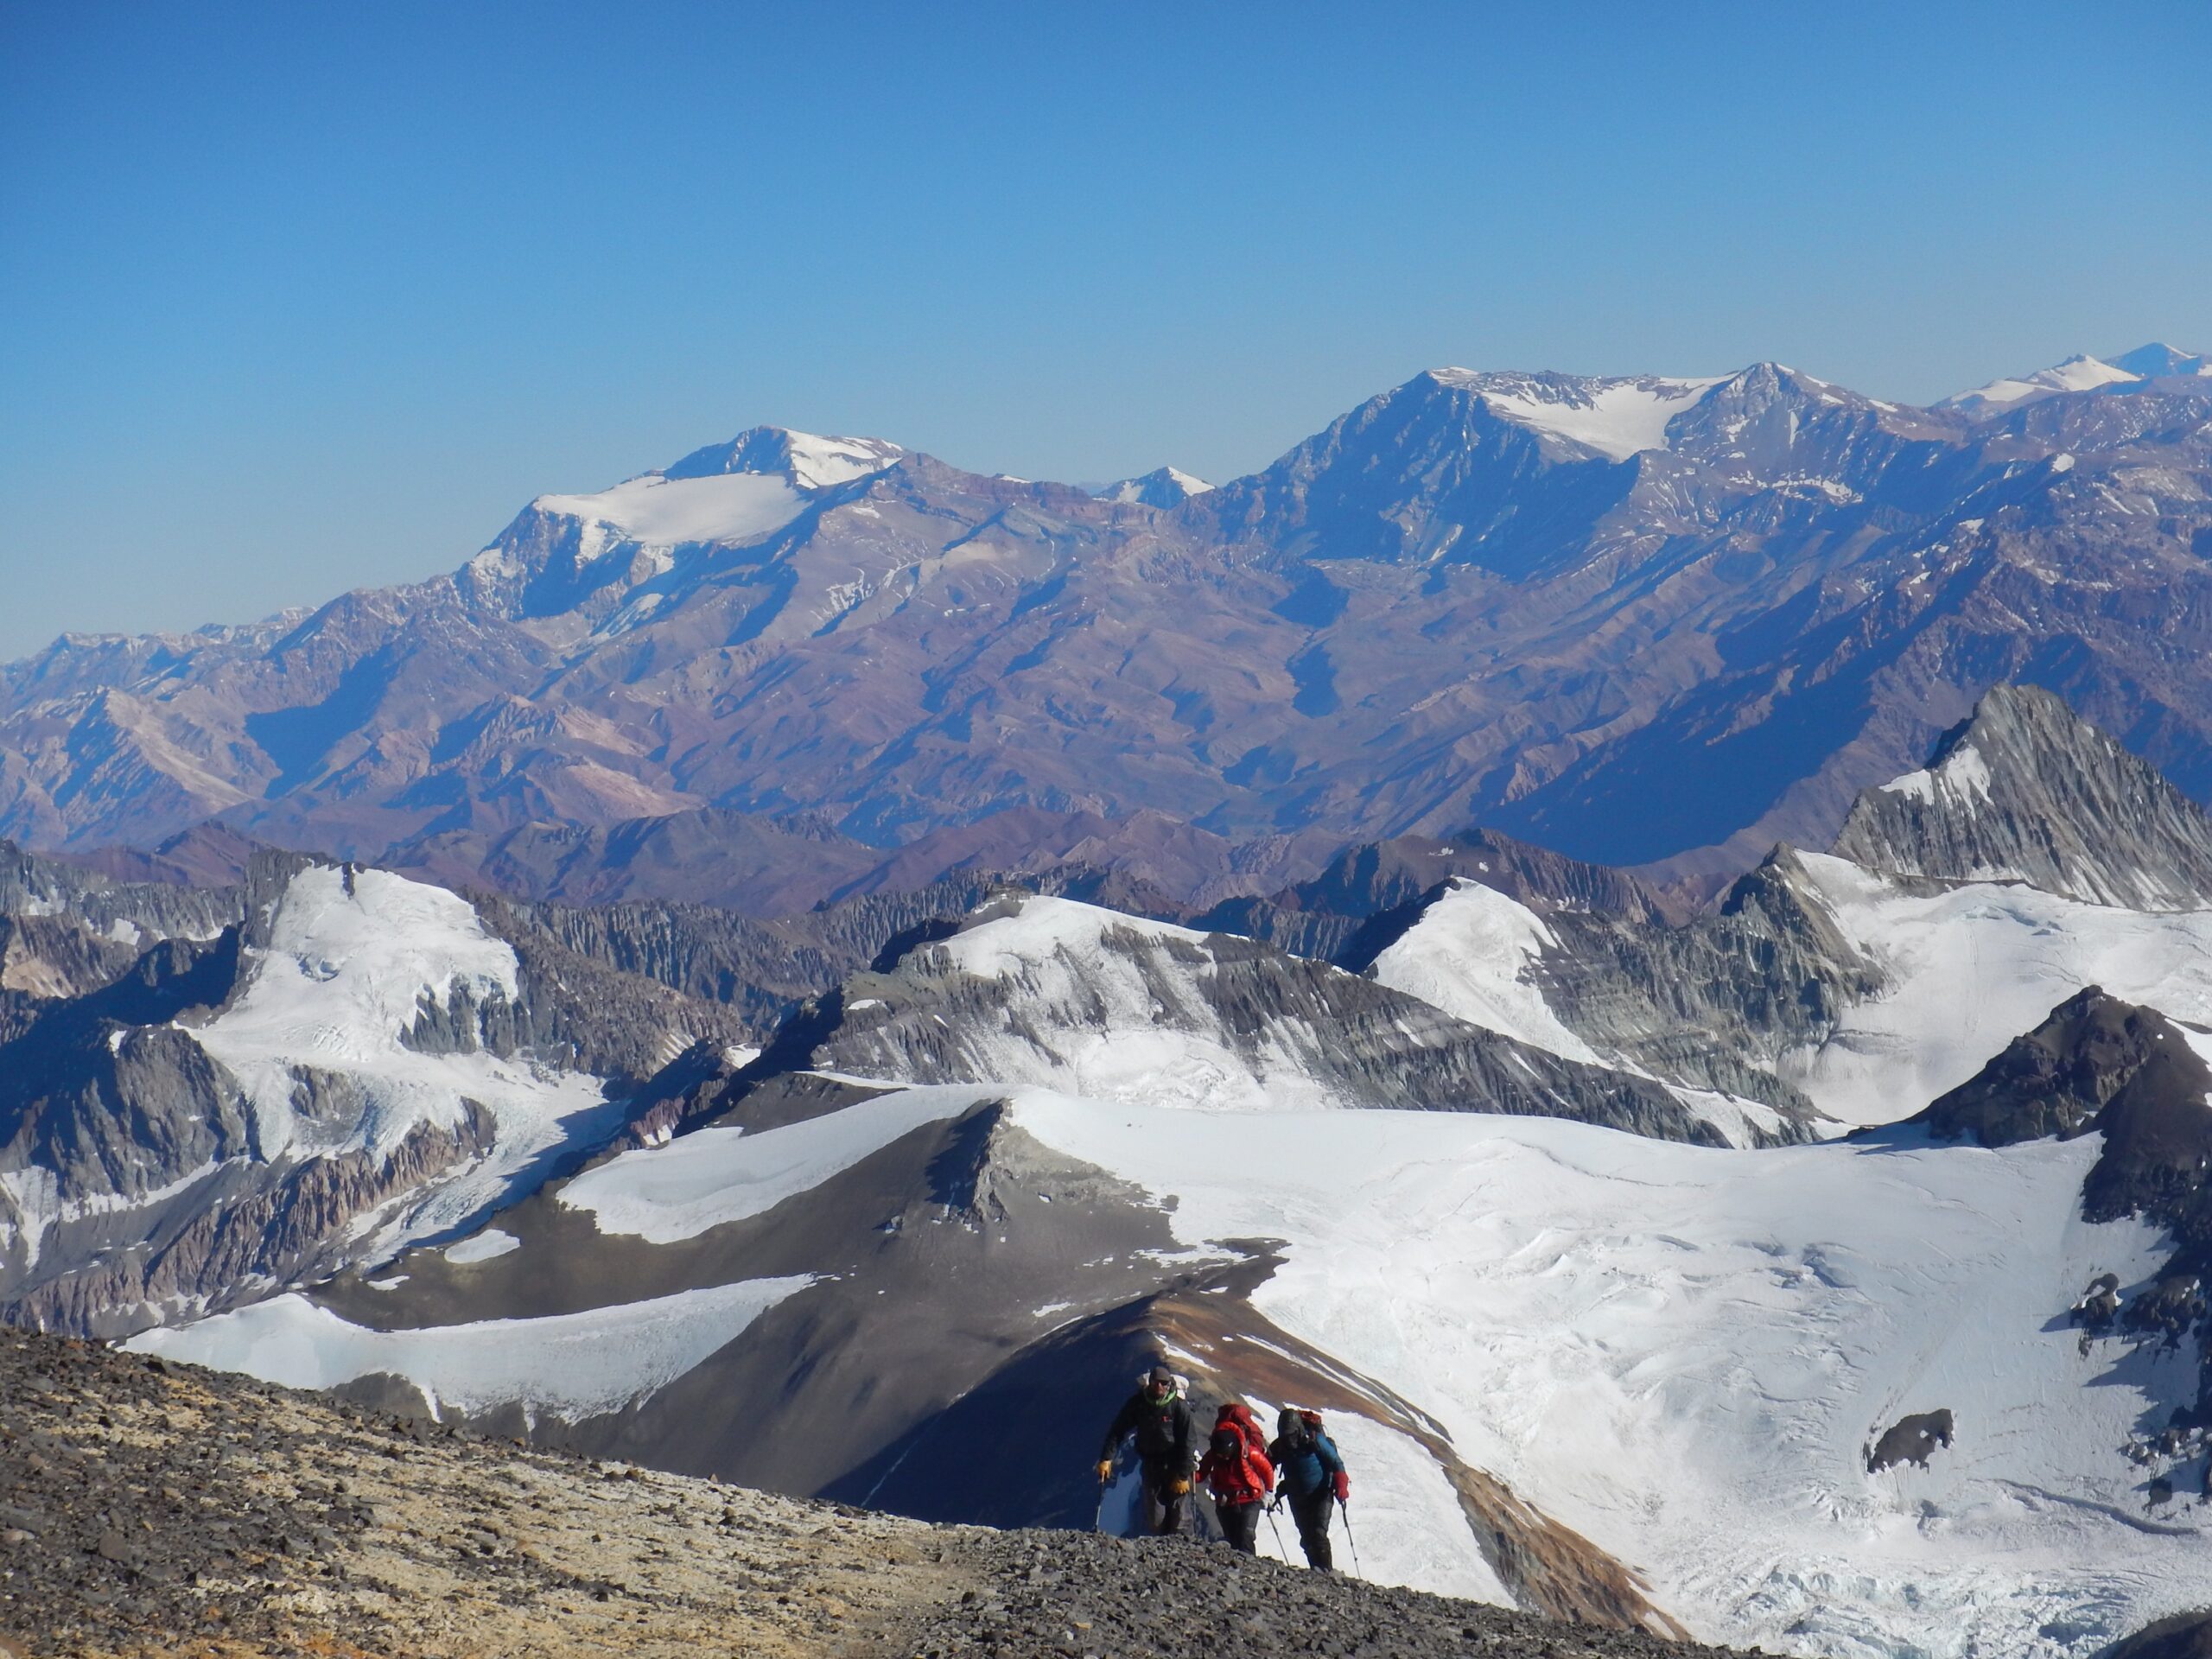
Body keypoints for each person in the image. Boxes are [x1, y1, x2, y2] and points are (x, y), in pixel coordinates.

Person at [1096, 1364, 1197, 1535]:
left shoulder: (1179, 1407)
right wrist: (1106, 1458)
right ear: (1149, 1382)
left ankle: (1183, 1551)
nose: (1159, 1386)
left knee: (1180, 1517)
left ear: (1169, 1385)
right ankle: (1162, 1552)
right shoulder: (1139, 1404)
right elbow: (1118, 1430)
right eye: (1156, 1382)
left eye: (1163, 1383)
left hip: (1175, 1465)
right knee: (1156, 1518)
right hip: (1151, 1465)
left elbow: (1189, 1441)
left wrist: (1182, 1474)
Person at [1268, 1406, 1348, 1570]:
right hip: (1297, 1496)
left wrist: (1341, 1485)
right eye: (1285, 1435)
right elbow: (1266, 1465)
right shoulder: (1280, 1446)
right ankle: (1317, 1570)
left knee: (1318, 1533)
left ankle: (1326, 1571)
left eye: (1291, 1435)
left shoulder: (1315, 1440)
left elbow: (1336, 1463)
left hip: (1321, 1493)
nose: (1289, 1439)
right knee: (1307, 1538)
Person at [1197, 1417, 1274, 1554]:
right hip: (1226, 1502)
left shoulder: (1248, 1452)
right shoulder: (1214, 1455)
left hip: (1249, 1499)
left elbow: (1266, 1469)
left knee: (1246, 1535)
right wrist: (1190, 1473)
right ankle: (1240, 1568)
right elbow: (1201, 1473)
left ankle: (1249, 1567)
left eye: (1225, 1454)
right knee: (1233, 1538)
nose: (1224, 1458)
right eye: (1220, 1455)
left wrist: (1269, 1492)